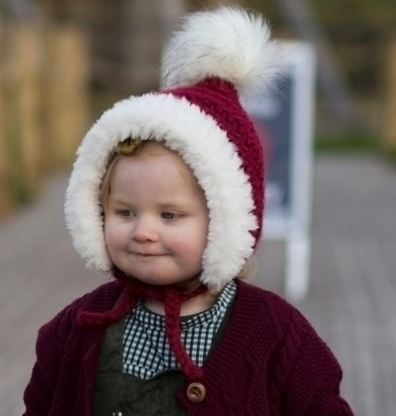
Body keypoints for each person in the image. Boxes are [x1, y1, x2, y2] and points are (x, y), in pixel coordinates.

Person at [22, 6, 355, 416]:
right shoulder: (75, 331)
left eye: (169, 215)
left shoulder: (279, 334)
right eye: (125, 212)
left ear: (224, 223)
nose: (143, 231)